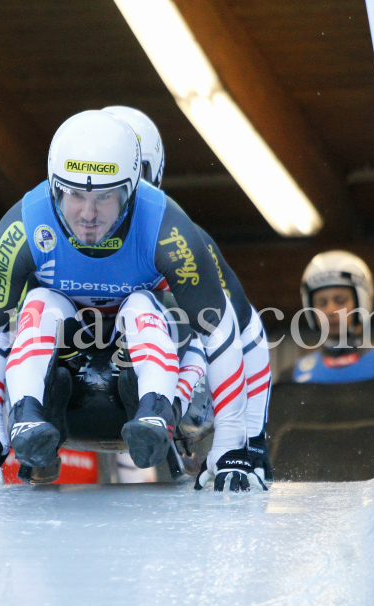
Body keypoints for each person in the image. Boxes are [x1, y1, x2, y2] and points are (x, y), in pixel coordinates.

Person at [0, 110, 256, 493]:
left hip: (151, 366)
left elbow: (229, 331)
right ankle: (26, 416)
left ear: (135, 188)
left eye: (105, 197)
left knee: (142, 305)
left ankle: (158, 409)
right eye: (75, 194)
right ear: (53, 185)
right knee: (37, 303)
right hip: (61, 372)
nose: (89, 215)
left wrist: (236, 447)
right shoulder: (23, 226)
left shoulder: (169, 230)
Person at [102, 106, 273, 483]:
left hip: (178, 376)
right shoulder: (51, 234)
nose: (110, 199)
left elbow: (245, 327)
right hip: (88, 377)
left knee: (170, 312)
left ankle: (166, 406)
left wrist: (251, 441)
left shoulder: (180, 238)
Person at [282, 250, 374, 412]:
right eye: (322, 302)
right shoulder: (291, 378)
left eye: (340, 300)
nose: (331, 310)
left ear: (362, 302)